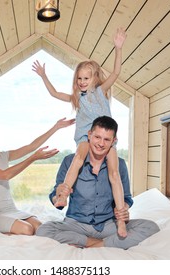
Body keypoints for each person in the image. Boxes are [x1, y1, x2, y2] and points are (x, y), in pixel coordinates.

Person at [32, 28, 128, 237]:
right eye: (79, 79)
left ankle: (121, 219)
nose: (82, 82)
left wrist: (118, 49)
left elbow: (116, 73)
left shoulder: (101, 91)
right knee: (77, 159)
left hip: (106, 136)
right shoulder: (78, 98)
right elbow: (55, 93)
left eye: (86, 78)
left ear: (94, 78)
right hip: (85, 135)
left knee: (114, 174)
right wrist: (43, 76)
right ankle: (63, 196)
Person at [36, 116, 160, 249]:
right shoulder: (69, 161)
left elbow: (126, 198)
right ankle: (93, 242)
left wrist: (123, 208)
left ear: (114, 141)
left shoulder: (120, 165)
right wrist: (58, 195)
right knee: (43, 230)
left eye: (107, 139)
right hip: (76, 224)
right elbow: (56, 200)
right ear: (89, 135)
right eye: (97, 137)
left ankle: (97, 243)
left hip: (107, 225)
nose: (101, 144)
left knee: (151, 227)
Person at [0, 117, 75, 236]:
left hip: (11, 210)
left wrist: (56, 127)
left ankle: (10, 228)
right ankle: (0, 230)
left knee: (39, 227)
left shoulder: (3, 156)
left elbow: (32, 146)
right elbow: (4, 175)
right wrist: (33, 158)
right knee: (27, 230)